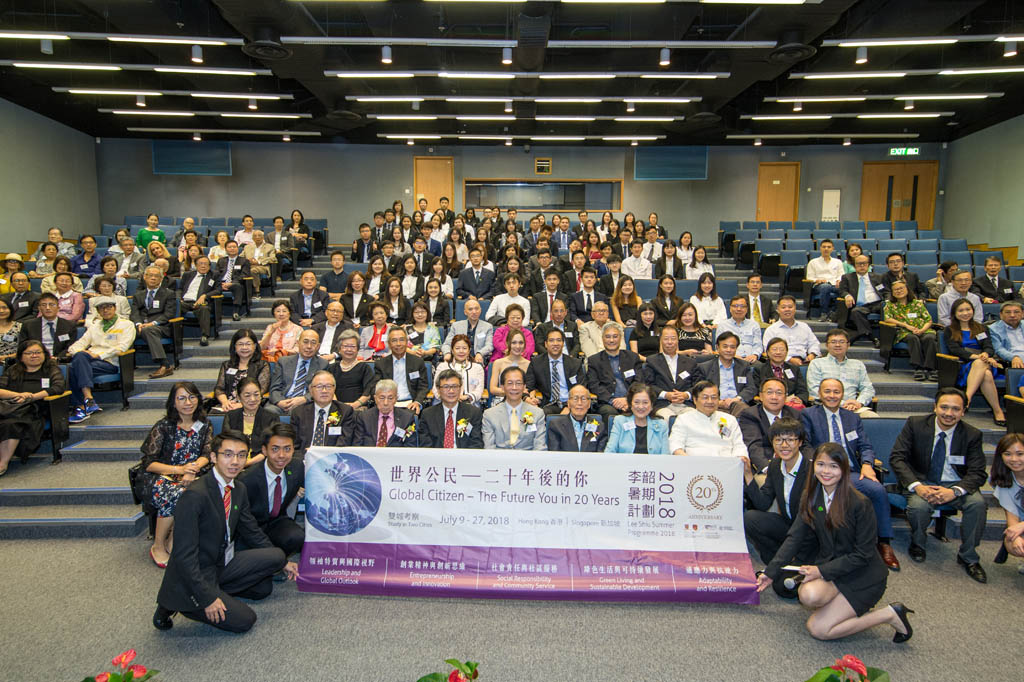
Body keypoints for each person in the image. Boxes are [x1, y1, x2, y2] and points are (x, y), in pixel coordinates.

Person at [757, 443, 913, 643]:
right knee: (808, 595)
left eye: (833, 466)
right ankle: (841, 606)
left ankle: (890, 614)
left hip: (863, 575)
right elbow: (794, 538)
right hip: (835, 569)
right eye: (821, 464)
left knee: (818, 629)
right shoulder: (811, 496)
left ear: (844, 469)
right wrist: (770, 573)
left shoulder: (860, 503)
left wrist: (820, 571)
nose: (826, 471)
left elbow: (863, 555)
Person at [152, 429, 297, 634]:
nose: (235, 462)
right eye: (228, 455)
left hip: (221, 560)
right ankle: (172, 603)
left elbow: (251, 530)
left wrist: (283, 563)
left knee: (268, 575)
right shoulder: (195, 496)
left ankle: (218, 590)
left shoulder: (237, 488)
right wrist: (207, 598)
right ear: (213, 457)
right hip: (196, 573)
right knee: (245, 620)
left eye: (241, 455)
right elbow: (184, 556)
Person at [889, 388, 989, 582]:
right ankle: (918, 544)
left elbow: (978, 472)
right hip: (922, 480)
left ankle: (968, 557)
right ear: (935, 407)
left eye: (955, 409)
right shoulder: (915, 424)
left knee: (977, 504)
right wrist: (917, 485)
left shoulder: (972, 434)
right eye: (944, 407)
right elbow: (898, 458)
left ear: (963, 411)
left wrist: (954, 491)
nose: (949, 413)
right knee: (919, 506)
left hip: (955, 483)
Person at [802, 378, 899, 571]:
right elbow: (804, 445)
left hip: (850, 472)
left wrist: (867, 464)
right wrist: (820, 466)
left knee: (877, 489)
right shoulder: (808, 414)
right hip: (824, 473)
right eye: (827, 391)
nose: (832, 395)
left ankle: (884, 541)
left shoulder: (852, 417)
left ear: (843, 394)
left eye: (836, 392)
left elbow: (865, 446)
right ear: (819, 394)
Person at [140, 382, 213, 567]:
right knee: (176, 494)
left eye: (192, 397)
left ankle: (173, 539)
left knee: (195, 491)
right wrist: (179, 470)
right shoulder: (164, 426)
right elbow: (149, 464)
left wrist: (192, 469)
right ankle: (157, 545)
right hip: (160, 476)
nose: (188, 402)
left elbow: (207, 454)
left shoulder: (204, 424)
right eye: (181, 398)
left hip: (192, 473)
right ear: (173, 402)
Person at [743, 417, 812, 597]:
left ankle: (785, 564)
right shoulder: (775, 465)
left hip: (810, 535)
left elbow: (805, 525)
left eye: (790, 439)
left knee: (784, 589)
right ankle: (779, 562)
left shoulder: (811, 469)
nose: (784, 445)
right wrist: (749, 474)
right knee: (751, 518)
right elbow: (763, 503)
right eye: (778, 440)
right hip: (789, 525)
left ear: (800, 442)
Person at [66, 297, 136, 423]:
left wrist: (99, 355)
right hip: (88, 361)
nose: (105, 310)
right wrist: (80, 351)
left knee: (73, 367)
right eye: (102, 308)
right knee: (76, 362)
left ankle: (81, 406)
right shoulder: (95, 326)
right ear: (98, 311)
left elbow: (122, 347)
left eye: (109, 307)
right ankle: (88, 401)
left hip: (111, 362)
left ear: (115, 308)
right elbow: (77, 345)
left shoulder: (127, 325)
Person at [0, 341, 66, 475]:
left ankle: (3, 463)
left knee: (12, 424)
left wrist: (32, 397)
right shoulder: (13, 370)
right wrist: (19, 395)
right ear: (21, 356)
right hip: (10, 407)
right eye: (29, 353)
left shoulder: (51, 369)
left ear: (44, 354)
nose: (34, 356)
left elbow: (58, 388)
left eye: (37, 352)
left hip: (35, 410)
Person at [944, 298, 1006, 425]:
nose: (965, 313)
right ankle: (998, 411)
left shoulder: (981, 328)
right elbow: (955, 350)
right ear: (954, 313)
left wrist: (985, 353)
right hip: (965, 365)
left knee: (982, 365)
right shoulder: (950, 330)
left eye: (968, 309)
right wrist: (975, 357)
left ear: (973, 310)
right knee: (986, 375)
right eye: (961, 310)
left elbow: (989, 346)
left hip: (986, 362)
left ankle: (966, 399)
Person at [738, 378, 811, 472]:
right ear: (760, 396)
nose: (774, 397)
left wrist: (811, 463)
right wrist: (768, 469)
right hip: (766, 464)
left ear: (785, 397)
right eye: (769, 392)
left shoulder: (795, 414)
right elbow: (754, 446)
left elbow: (804, 444)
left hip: (793, 464)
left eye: (779, 393)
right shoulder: (750, 415)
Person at [807, 329, 878, 417]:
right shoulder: (817, 363)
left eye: (842, 342)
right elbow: (815, 390)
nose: (837, 345)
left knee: (872, 417)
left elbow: (868, 389)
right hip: (827, 407)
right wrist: (844, 404)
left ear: (848, 345)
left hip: (854, 408)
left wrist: (859, 403)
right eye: (833, 342)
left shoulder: (858, 365)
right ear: (826, 345)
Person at [668, 380, 746, 458]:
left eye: (714, 397)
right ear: (695, 400)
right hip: (695, 465)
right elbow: (675, 446)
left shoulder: (730, 419)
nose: (710, 401)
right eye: (705, 397)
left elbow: (739, 445)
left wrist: (740, 459)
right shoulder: (684, 419)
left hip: (727, 465)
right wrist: (689, 462)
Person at [883, 280, 938, 381]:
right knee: (912, 338)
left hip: (923, 330)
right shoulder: (890, 305)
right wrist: (905, 325)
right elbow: (887, 318)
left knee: (930, 338)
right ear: (892, 292)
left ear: (907, 290)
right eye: (896, 290)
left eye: (901, 288)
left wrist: (922, 330)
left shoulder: (917, 303)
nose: (899, 291)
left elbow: (928, 320)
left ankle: (931, 368)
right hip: (904, 332)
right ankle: (918, 368)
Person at [587, 322, 643, 418]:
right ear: (602, 339)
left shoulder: (632, 357)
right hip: (607, 403)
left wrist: (627, 399)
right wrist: (613, 400)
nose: (611, 340)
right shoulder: (594, 360)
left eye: (615, 336)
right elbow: (594, 385)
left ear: (620, 338)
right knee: (609, 413)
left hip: (631, 400)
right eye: (608, 337)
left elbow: (638, 381)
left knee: (640, 408)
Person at [483, 366, 547, 450]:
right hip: (500, 461)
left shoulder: (537, 413)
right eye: (510, 383)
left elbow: (540, 446)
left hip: (528, 461)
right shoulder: (490, 415)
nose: (514, 387)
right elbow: (489, 448)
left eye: (518, 383)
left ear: (524, 387)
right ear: (502, 387)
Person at [693, 332, 756, 417]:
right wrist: (716, 402)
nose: (729, 350)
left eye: (732, 347)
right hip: (714, 404)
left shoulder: (744, 366)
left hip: (737, 404)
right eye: (725, 346)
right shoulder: (705, 367)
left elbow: (751, 388)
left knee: (745, 412)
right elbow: (699, 391)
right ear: (717, 348)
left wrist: (737, 399)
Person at [419, 369, 485, 449]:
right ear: (438, 389)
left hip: (464, 458)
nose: (451, 391)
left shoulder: (473, 413)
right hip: (437, 459)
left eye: (455, 386)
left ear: (460, 388)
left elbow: (476, 444)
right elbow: (426, 446)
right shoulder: (428, 415)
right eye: (446, 387)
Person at [267, 329, 328, 416]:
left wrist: (304, 399)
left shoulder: (322, 364)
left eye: (313, 343)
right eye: (305, 342)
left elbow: (320, 389)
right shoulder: (283, 362)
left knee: (297, 411)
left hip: (304, 403)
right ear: (298, 343)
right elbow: (275, 387)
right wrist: (279, 401)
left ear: (318, 346)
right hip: (282, 401)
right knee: (268, 412)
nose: (309, 346)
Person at [289, 371, 355, 451]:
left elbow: (344, 442)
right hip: (304, 457)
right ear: (311, 390)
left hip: (332, 458)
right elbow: (294, 444)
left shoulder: (344, 411)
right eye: (319, 386)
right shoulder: (299, 412)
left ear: (334, 389)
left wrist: (322, 454)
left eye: (328, 386)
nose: (324, 390)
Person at [526, 327, 584, 415]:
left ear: (563, 343)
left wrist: (570, 406)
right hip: (548, 404)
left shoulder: (575, 363)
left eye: (558, 340)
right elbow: (529, 386)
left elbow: (582, 388)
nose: (555, 344)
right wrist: (530, 396)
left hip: (571, 404)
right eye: (551, 340)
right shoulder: (536, 363)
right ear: (546, 344)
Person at [131, 266, 176, 378]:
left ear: (161, 279)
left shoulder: (168, 293)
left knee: (149, 329)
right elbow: (134, 313)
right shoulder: (138, 295)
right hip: (141, 326)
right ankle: (122, 365)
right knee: (124, 330)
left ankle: (164, 365)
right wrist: (138, 324)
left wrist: (153, 323)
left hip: (161, 327)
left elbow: (169, 314)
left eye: (156, 276)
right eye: (150, 275)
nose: (153, 278)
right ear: (144, 277)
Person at [643, 325, 696, 419]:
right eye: (666, 339)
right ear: (660, 341)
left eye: (673, 339)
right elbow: (648, 385)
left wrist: (686, 395)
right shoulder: (652, 361)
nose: (670, 342)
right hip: (663, 405)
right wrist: (666, 394)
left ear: (678, 340)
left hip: (686, 404)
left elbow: (698, 385)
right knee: (667, 418)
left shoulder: (690, 362)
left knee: (692, 418)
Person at [213, 330, 270, 414]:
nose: (244, 347)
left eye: (248, 344)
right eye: (240, 344)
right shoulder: (227, 365)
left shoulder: (262, 365)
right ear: (234, 347)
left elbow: (261, 390)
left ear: (254, 346)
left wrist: (241, 404)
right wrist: (225, 402)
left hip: (251, 405)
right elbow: (219, 388)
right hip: (227, 405)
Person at [374, 327, 428, 414]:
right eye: (394, 340)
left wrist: (417, 402)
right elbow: (376, 387)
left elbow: (423, 387)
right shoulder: (381, 364)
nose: (398, 344)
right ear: (389, 344)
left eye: (402, 340)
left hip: (411, 403)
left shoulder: (417, 362)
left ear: (407, 342)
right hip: (388, 404)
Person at [224, 378, 280, 462]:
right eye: (247, 395)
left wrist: (249, 463)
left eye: (256, 394)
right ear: (239, 397)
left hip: (262, 463)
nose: (253, 399)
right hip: (234, 462)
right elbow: (226, 444)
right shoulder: (231, 416)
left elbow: (272, 447)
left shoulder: (271, 417)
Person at [604, 383, 669, 454]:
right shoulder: (620, 421)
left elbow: (665, 456)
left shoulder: (661, 425)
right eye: (636, 402)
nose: (641, 407)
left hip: (653, 465)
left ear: (652, 405)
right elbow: (609, 451)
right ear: (630, 404)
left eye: (645, 402)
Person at [988, 433, 1024, 562]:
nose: (1014, 459)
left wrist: (1022, 527)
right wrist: (1016, 537)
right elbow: (1012, 516)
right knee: (1011, 543)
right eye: (1007, 454)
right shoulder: (1004, 481)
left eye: (1020, 454)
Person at [838, 255, 886, 347]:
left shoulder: (878, 277)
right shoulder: (847, 277)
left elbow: (885, 291)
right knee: (855, 312)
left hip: (877, 304)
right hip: (861, 306)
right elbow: (842, 291)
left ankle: (884, 338)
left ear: (868, 265)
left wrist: (887, 300)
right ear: (854, 266)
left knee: (886, 307)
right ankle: (872, 337)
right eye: (859, 264)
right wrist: (847, 295)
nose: (862, 266)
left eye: (864, 264)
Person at [353, 379, 418, 447]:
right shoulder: (364, 417)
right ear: (375, 398)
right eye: (382, 398)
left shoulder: (407, 419)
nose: (385, 403)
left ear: (396, 399)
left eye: (390, 398)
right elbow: (357, 446)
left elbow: (410, 447)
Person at [546, 383, 609, 452]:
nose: (579, 403)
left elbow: (600, 457)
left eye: (583, 399)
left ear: (589, 404)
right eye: (575, 399)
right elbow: (555, 457)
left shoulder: (599, 427)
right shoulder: (556, 425)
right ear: (568, 403)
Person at [751, 337, 809, 410]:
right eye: (774, 349)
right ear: (768, 352)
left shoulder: (794, 369)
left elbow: (802, 391)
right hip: (768, 404)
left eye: (782, 350)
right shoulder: (759, 369)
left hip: (791, 405)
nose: (778, 352)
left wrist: (800, 399)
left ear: (787, 352)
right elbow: (755, 390)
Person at [763, 296, 821, 365]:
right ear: (778, 309)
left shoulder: (804, 327)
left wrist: (812, 354)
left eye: (790, 307)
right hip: (782, 362)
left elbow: (814, 343)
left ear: (795, 308)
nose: (787, 309)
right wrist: (789, 359)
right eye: (783, 307)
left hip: (805, 361)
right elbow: (768, 350)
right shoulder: (771, 329)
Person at [18, 292, 76, 358]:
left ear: (58, 308)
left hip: (59, 360)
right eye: (44, 305)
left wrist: (57, 358)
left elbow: (70, 347)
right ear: (39, 308)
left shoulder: (69, 325)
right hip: (34, 359)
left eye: (51, 305)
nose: (48, 308)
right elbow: (23, 346)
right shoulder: (28, 325)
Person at [329, 329, 375, 410]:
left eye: (353, 346)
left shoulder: (364, 368)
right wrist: (338, 406)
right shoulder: (332, 368)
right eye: (346, 346)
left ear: (358, 349)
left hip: (359, 408)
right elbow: (329, 389)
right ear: (339, 349)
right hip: (336, 408)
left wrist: (354, 405)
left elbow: (368, 392)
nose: (349, 350)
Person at [178, 255, 218, 346]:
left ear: (209, 266)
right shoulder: (188, 275)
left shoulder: (214, 275)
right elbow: (179, 289)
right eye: (200, 264)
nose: (203, 266)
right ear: (196, 265)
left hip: (201, 303)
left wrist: (205, 296)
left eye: (206, 264)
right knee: (173, 306)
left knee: (204, 308)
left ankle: (205, 336)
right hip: (185, 302)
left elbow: (218, 289)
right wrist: (178, 299)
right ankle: (173, 335)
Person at [806, 239, 845, 321]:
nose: (826, 249)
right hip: (819, 286)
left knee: (846, 289)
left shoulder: (838, 262)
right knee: (825, 287)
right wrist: (817, 280)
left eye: (829, 247)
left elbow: (841, 275)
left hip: (834, 285)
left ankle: (833, 312)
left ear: (832, 248)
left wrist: (839, 280)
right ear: (820, 248)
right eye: (824, 247)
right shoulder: (813, 262)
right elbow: (809, 277)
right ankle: (824, 313)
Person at [718, 296, 763, 362]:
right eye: (735, 306)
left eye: (742, 306)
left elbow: (758, 345)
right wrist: (734, 356)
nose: (739, 309)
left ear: (747, 309)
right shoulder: (722, 325)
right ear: (730, 308)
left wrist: (754, 355)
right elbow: (719, 347)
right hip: (730, 359)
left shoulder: (754, 325)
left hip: (751, 360)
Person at [214, 240, 250, 321]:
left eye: (234, 247)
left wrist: (231, 283)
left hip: (235, 283)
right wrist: (221, 284)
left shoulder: (244, 261)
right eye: (230, 247)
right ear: (226, 249)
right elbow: (216, 274)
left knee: (237, 286)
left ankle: (236, 312)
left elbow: (244, 275)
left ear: (238, 248)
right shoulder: (221, 260)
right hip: (221, 283)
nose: (232, 249)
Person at [990, 300, 1024, 371]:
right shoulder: (993, 329)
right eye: (1008, 312)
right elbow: (999, 349)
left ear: (1022, 314)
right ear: (1001, 315)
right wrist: (1014, 357)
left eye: (1016, 312)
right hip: (1012, 360)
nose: (1012, 315)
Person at [243, 229, 275, 300]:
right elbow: (241, 257)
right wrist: (248, 260)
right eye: (255, 236)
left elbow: (273, 258)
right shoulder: (247, 247)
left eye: (259, 235)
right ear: (252, 238)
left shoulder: (270, 247)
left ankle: (257, 291)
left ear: (263, 237)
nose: (257, 237)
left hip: (263, 266)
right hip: (249, 266)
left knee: (253, 270)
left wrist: (258, 262)